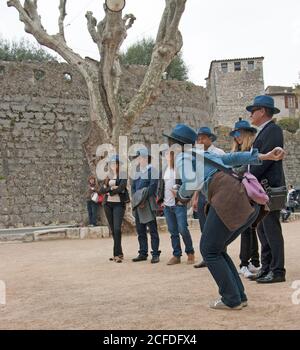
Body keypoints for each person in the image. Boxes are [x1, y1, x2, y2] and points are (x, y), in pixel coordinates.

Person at [163, 123, 285, 310]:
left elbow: (191, 183)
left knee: (209, 249)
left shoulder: (182, 157)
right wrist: (264, 156)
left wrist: (180, 195)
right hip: (240, 196)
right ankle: (238, 296)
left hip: (226, 197)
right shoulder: (202, 154)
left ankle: (231, 299)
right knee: (217, 248)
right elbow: (232, 157)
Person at [246, 95, 286, 284]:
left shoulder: (273, 130)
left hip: (267, 187)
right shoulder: (264, 131)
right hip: (261, 188)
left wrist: (247, 176)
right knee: (263, 230)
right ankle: (267, 267)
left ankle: (277, 271)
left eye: (253, 111)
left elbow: (263, 161)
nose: (250, 115)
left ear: (262, 111)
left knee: (271, 230)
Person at [229, 119, 260, 278]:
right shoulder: (238, 151)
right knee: (247, 229)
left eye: (239, 133)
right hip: (242, 193)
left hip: (248, 192)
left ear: (247, 134)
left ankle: (249, 262)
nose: (237, 136)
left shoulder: (250, 150)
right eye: (235, 134)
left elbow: (240, 171)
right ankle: (248, 262)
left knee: (249, 229)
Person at [192, 127, 225, 269]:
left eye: (202, 138)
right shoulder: (198, 155)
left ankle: (220, 255)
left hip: (216, 195)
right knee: (204, 227)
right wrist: (195, 197)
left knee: (217, 227)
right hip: (203, 195)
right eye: (198, 138)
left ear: (210, 138)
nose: (200, 141)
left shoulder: (219, 153)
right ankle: (207, 257)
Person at [157, 149, 195, 265]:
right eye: (165, 155)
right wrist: (161, 200)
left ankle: (190, 253)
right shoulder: (164, 169)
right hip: (167, 205)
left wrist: (181, 198)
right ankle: (176, 255)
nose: (166, 156)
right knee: (173, 231)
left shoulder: (179, 169)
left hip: (178, 204)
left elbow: (189, 184)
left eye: (168, 154)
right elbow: (161, 185)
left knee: (183, 229)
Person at [131, 149, 161, 264]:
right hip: (139, 204)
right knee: (140, 230)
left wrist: (142, 200)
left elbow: (152, 187)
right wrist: (137, 200)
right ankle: (143, 253)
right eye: (138, 157)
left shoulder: (152, 170)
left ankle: (155, 254)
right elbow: (133, 187)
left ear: (147, 158)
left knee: (153, 230)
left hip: (148, 202)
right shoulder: (136, 171)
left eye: (142, 157)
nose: (140, 159)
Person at [100, 155, 129, 263]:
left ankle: (116, 254)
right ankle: (119, 253)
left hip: (118, 205)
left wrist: (109, 190)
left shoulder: (123, 175)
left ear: (118, 165)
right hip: (108, 205)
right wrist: (111, 188)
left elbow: (121, 188)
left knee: (117, 229)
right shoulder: (108, 176)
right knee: (113, 230)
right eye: (111, 163)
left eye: (115, 163)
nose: (113, 165)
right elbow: (101, 190)